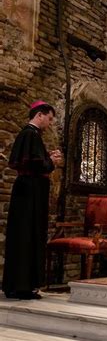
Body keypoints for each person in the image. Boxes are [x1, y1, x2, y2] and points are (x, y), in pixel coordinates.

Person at [2, 101, 62, 299]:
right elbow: (36, 165)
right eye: (50, 118)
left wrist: (47, 157)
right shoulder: (31, 134)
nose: (50, 123)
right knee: (28, 236)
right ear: (39, 115)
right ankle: (24, 287)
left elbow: (32, 161)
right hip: (31, 194)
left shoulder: (29, 135)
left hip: (26, 192)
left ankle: (15, 284)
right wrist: (51, 161)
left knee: (22, 236)